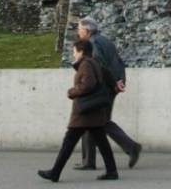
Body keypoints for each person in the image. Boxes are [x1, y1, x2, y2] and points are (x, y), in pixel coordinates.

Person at [38, 39, 119, 182]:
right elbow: (106, 74)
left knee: (68, 143)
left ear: (81, 52)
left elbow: (88, 84)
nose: (73, 54)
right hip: (94, 112)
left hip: (84, 113)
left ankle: (55, 173)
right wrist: (115, 84)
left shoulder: (86, 64)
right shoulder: (94, 62)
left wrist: (72, 91)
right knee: (102, 143)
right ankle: (112, 171)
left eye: (74, 51)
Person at [74, 17, 143, 171]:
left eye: (79, 29)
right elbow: (118, 62)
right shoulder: (105, 41)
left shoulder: (93, 43)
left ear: (87, 30)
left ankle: (131, 147)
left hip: (103, 87)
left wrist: (110, 83)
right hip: (110, 86)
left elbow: (98, 64)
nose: (78, 32)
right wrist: (119, 81)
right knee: (91, 121)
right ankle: (88, 161)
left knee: (100, 121)